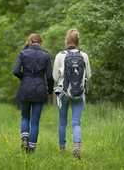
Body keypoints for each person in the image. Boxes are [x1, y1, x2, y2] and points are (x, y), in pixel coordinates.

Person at [53, 28, 91, 159]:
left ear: (67, 41)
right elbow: (89, 76)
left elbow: (54, 77)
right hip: (79, 93)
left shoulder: (59, 55)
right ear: (78, 42)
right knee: (76, 122)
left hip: (63, 92)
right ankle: (76, 148)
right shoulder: (84, 56)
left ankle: (62, 149)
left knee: (63, 121)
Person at [13, 34, 54, 153]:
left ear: (31, 42)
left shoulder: (23, 53)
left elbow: (15, 71)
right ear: (40, 43)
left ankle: (25, 140)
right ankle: (31, 149)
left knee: (25, 116)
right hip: (40, 89)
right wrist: (50, 89)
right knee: (35, 120)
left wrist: (23, 77)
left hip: (25, 88)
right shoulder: (46, 55)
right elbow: (50, 76)